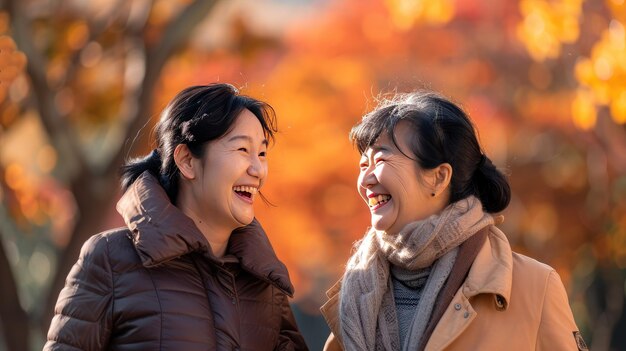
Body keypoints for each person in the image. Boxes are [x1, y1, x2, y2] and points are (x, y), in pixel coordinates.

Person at [44, 83, 309, 351]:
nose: (258, 170)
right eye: (242, 150)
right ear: (186, 160)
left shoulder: (267, 286)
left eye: (262, 154)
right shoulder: (111, 260)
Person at [320, 91, 587, 351]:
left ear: (438, 177)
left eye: (380, 159)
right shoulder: (355, 295)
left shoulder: (535, 288)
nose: (365, 180)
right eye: (362, 165)